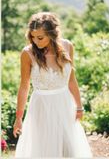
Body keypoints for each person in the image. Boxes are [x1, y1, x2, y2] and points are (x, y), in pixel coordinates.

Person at [13, 12, 92, 158]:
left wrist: (79, 106)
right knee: (44, 148)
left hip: (64, 103)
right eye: (32, 37)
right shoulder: (27, 53)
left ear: (52, 34)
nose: (35, 41)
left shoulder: (68, 47)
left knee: (68, 148)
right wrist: (19, 117)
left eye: (40, 37)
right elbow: (24, 86)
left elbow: (71, 79)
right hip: (41, 106)